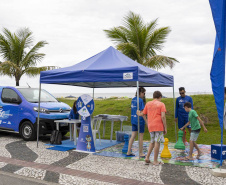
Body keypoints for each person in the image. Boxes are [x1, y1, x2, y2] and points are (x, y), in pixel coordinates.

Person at [137, 91, 167, 165]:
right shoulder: (161, 104)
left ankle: (147, 157)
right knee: (157, 142)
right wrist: (165, 127)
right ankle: (155, 161)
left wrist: (138, 113)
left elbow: (143, 114)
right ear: (160, 97)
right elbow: (163, 116)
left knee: (152, 142)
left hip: (151, 125)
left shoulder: (148, 104)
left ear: (153, 97)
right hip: (158, 126)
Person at [126, 87, 147, 158]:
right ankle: (141, 153)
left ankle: (128, 151)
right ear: (141, 92)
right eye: (144, 93)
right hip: (140, 120)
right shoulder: (140, 100)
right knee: (140, 136)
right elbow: (143, 112)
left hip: (133, 120)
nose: (144, 95)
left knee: (133, 136)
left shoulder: (133, 99)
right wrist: (146, 122)